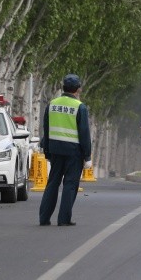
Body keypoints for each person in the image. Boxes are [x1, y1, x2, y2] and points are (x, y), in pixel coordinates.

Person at [39, 74, 92, 226]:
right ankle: (64, 219)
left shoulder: (52, 104)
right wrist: (87, 156)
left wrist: (47, 150)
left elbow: (46, 129)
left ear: (63, 87)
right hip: (73, 152)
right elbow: (84, 133)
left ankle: (44, 218)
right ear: (78, 89)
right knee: (70, 184)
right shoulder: (80, 107)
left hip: (55, 150)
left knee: (52, 183)